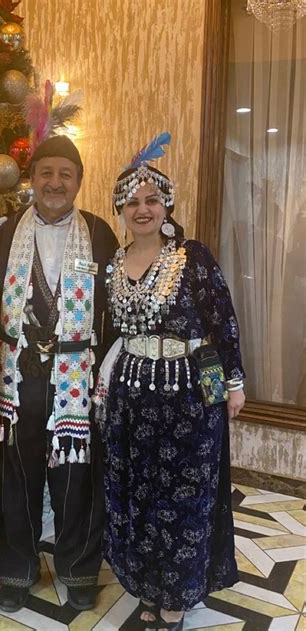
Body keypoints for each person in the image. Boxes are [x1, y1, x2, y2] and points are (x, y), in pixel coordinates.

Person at [94, 134, 245, 630]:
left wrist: (231, 384)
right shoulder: (113, 266)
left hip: (187, 396)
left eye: (151, 200)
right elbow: (109, 333)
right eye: (132, 201)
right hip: (131, 394)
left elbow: (220, 325)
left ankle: (175, 599)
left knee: (183, 499)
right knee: (137, 494)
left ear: (167, 205)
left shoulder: (192, 257)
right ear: (119, 209)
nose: (142, 209)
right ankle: (148, 584)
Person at [0, 135, 118, 613]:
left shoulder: (101, 235)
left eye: (66, 174)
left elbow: (116, 312)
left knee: (75, 478)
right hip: (17, 378)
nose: (55, 182)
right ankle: (16, 571)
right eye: (46, 173)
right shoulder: (2, 237)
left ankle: (78, 568)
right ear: (32, 179)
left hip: (76, 379)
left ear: (79, 182)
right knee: (15, 479)